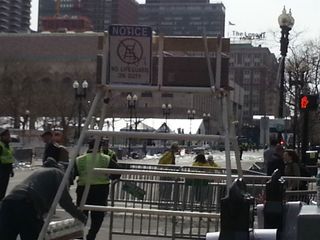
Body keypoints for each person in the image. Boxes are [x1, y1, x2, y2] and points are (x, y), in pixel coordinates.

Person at [0, 158, 87, 239]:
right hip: (26, 203)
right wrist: (81, 217)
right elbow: (65, 202)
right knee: (34, 236)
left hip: (8, 201)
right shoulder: (59, 174)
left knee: (6, 235)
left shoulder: (41, 172)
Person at [75, 138, 120, 240]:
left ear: (89, 146)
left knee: (81, 215)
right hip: (100, 190)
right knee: (98, 216)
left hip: (83, 189)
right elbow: (118, 173)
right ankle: (91, 236)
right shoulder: (106, 159)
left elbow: (73, 173)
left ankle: (79, 237)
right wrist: (109, 176)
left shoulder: (80, 159)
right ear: (100, 147)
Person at [0, 128, 14, 200]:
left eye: (9, 135)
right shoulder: (1, 145)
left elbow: (9, 159)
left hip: (6, 170)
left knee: (3, 189)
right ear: (2, 136)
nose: (9, 136)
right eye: (7, 135)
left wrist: (11, 170)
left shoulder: (7, 146)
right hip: (1, 169)